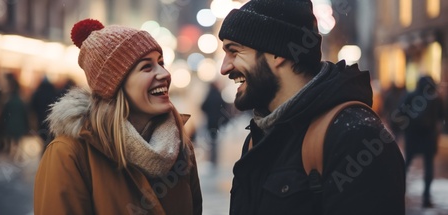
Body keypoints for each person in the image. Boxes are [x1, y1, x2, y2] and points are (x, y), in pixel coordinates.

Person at [217, 0, 405, 214]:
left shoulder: (356, 138)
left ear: (277, 53)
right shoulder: (259, 136)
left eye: (234, 51)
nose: (224, 68)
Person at [34, 19, 202, 215]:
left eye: (161, 63)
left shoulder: (181, 148)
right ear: (115, 85)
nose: (165, 73)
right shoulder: (69, 154)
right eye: (147, 67)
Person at [398, 75, 443, 208]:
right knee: (429, 167)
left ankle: (399, 192)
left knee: (406, 165)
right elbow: (442, 118)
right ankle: (426, 198)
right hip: (429, 138)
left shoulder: (411, 95)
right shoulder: (436, 99)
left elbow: (400, 112)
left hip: (412, 136)